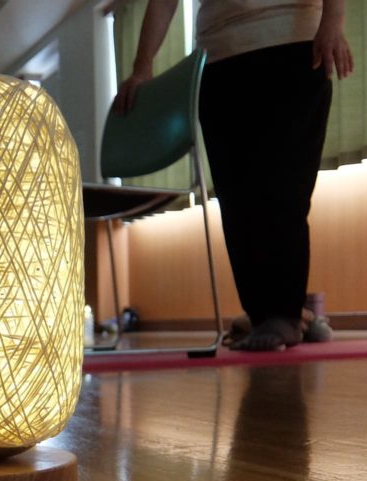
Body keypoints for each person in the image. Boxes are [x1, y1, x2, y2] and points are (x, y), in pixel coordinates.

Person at [115, 0, 353, 351]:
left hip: (293, 44)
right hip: (219, 61)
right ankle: (271, 314)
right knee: (237, 197)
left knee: (285, 189)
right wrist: (142, 66)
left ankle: (284, 315)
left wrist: (332, 22)